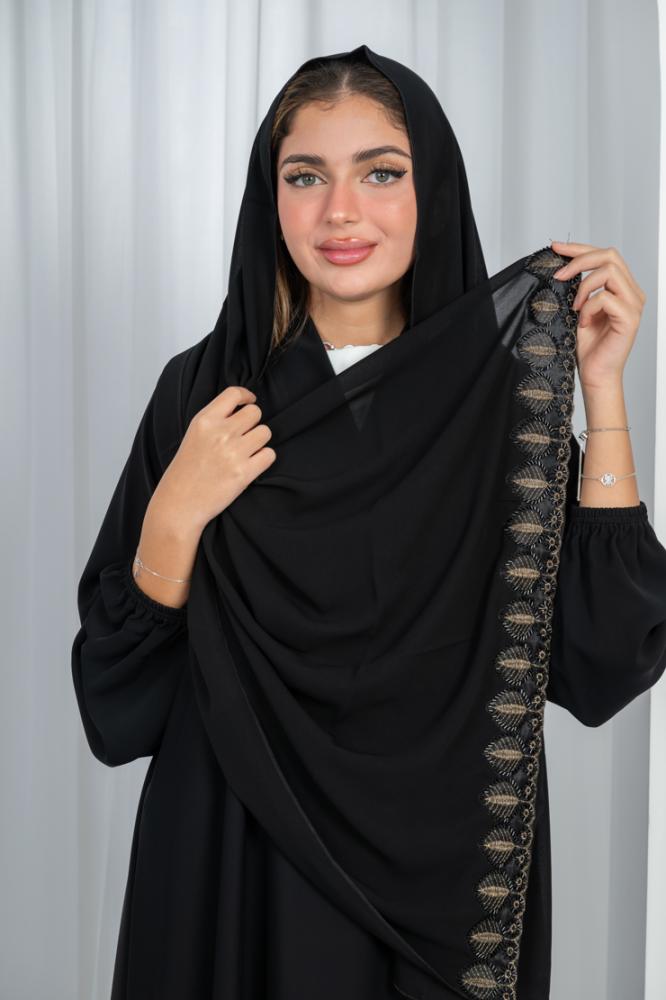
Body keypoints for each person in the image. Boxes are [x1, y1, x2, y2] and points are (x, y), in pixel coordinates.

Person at [71, 44, 666, 1000]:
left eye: (381, 173)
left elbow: (601, 666)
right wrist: (173, 519)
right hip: (230, 868)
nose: (340, 212)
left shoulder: (498, 405)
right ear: (270, 200)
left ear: (434, 191)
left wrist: (600, 392)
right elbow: (116, 709)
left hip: (441, 903)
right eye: (305, 176)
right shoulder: (202, 394)